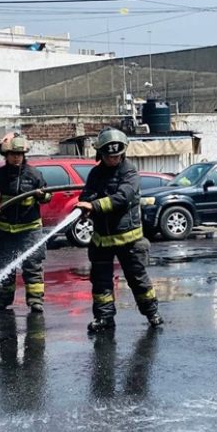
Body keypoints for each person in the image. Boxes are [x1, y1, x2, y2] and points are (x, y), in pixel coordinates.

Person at [76, 128, 163, 332]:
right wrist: (85, 204)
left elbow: (123, 197)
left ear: (122, 153)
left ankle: (152, 313)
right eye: (109, 156)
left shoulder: (129, 171)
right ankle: (104, 318)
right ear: (101, 155)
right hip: (102, 239)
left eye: (116, 156)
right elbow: (87, 194)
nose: (113, 160)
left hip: (129, 239)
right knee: (101, 282)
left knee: (137, 279)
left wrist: (94, 206)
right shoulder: (95, 173)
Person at [0, 133, 51, 312]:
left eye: (19, 154)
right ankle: (4, 300)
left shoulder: (34, 175)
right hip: (6, 231)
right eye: (13, 154)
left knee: (32, 265)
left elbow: (48, 195)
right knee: (6, 267)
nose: (16, 157)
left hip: (30, 230)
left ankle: (35, 300)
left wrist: (42, 195)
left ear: (24, 155)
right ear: (6, 155)